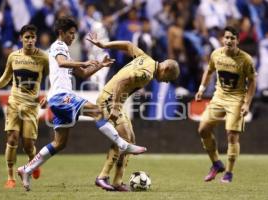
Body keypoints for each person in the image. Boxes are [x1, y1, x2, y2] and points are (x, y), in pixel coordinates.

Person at [17, 16, 147, 191]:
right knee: (97, 111)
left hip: (57, 98)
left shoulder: (65, 51)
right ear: (61, 33)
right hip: (61, 97)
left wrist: (100, 65)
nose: (73, 37)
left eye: (74, 34)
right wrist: (84, 61)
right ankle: (123, 144)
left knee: (59, 143)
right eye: (70, 34)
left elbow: (83, 74)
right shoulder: (58, 46)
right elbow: (63, 64)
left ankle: (27, 169)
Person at [86, 32, 180, 191]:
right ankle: (102, 177)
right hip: (109, 99)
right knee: (124, 138)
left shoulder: (146, 58)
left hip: (114, 100)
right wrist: (115, 106)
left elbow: (128, 45)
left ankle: (117, 181)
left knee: (130, 140)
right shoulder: (147, 74)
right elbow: (123, 81)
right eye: (168, 79)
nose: (165, 82)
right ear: (167, 69)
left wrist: (105, 45)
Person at [195, 26, 257, 183]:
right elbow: (208, 71)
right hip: (219, 97)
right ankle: (216, 163)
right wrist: (201, 89)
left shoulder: (246, 59)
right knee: (203, 130)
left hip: (236, 99)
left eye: (232, 38)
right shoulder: (216, 54)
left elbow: (252, 82)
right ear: (223, 38)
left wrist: (246, 103)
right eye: (227, 37)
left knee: (232, 135)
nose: (229, 41)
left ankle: (228, 173)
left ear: (237, 40)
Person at [0, 24, 49, 188]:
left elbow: (54, 79)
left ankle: (32, 163)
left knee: (29, 144)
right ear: (21, 38)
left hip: (31, 105)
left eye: (32, 37)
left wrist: (48, 96)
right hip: (14, 102)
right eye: (27, 37)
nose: (30, 40)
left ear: (36, 39)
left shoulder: (43, 58)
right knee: (12, 138)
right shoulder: (13, 57)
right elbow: (7, 76)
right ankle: (10, 177)